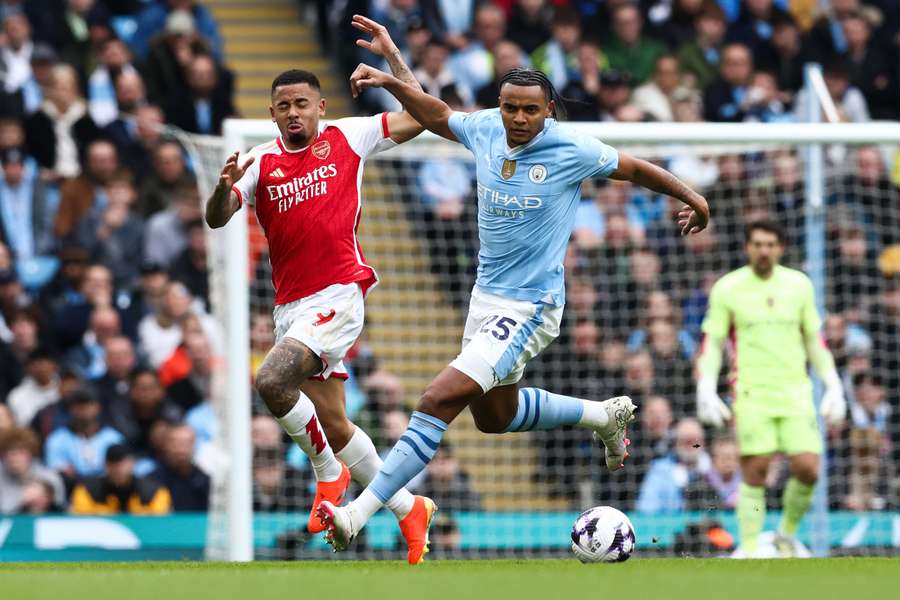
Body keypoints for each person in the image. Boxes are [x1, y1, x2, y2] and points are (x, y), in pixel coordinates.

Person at [320, 30, 710, 562]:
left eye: (529, 109)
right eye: (509, 108)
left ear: (548, 110)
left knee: (436, 400)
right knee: (493, 417)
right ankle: (601, 415)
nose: (518, 119)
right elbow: (435, 114)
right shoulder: (485, 128)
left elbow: (637, 169)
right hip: (486, 300)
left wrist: (695, 199)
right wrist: (393, 64)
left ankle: (356, 514)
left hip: (531, 307)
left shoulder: (574, 149)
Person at [203, 15, 427, 556]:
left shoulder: (348, 136)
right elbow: (216, 219)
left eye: (302, 103)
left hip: (338, 294)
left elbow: (421, 116)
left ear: (320, 107)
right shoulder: (259, 162)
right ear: (272, 112)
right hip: (291, 307)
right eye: (283, 106)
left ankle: (328, 475)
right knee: (336, 421)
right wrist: (222, 188)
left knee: (272, 381)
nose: (293, 113)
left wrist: (393, 62)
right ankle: (409, 508)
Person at [695, 220, 847, 557]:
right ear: (747, 247)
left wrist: (834, 384)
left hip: (796, 393)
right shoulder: (728, 288)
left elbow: (814, 340)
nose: (764, 250)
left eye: (770, 244)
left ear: (780, 248)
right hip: (751, 393)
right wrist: (705, 386)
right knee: (756, 472)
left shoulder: (799, 286)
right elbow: (714, 341)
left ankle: (785, 535)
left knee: (808, 468)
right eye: (758, 244)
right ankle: (750, 548)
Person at [69, 443, 171, 514]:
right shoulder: (87, 490)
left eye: (122, 464)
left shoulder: (154, 491)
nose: (117, 469)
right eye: (112, 464)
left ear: (133, 463)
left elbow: (160, 524)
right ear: (105, 465)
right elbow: (80, 521)